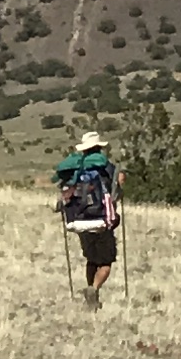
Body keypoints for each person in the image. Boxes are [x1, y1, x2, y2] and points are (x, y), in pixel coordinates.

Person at [55, 130, 124, 306]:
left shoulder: (74, 168)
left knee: (92, 259)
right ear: (98, 147)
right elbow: (117, 188)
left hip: (78, 220)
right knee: (106, 262)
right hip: (101, 219)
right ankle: (93, 289)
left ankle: (90, 294)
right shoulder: (105, 166)